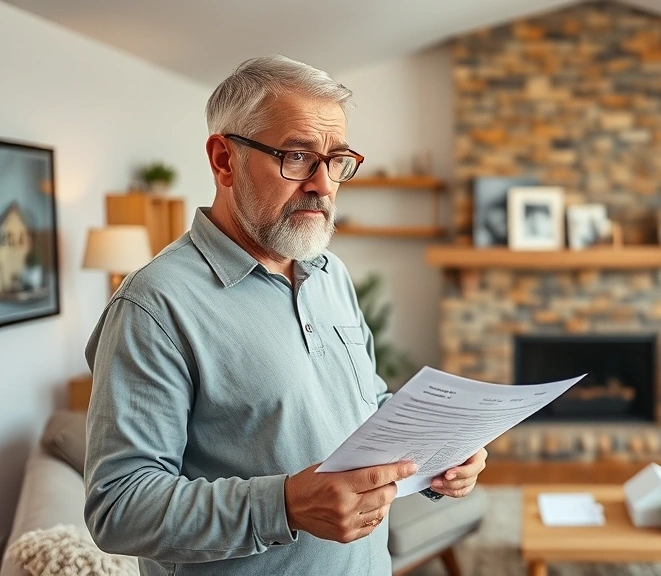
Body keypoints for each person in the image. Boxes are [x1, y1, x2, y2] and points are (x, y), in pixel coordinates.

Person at [83, 55, 486, 576]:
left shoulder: (330, 273)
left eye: (336, 160)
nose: (324, 184)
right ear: (224, 161)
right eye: (297, 156)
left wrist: (438, 455)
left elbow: (365, 408)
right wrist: (287, 506)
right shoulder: (154, 305)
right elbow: (118, 508)